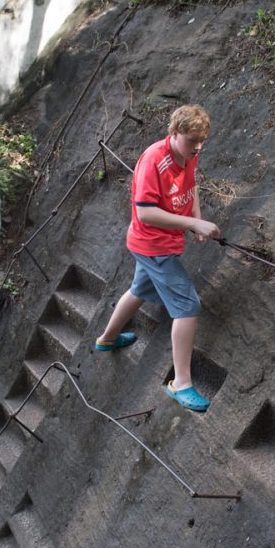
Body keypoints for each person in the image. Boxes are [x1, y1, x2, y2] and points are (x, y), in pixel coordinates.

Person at [94, 104, 220, 412]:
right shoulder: (154, 160)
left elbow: (191, 187)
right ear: (174, 133)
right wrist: (192, 224)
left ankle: (107, 339)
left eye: (202, 141)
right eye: (192, 141)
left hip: (160, 242)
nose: (198, 147)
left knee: (140, 290)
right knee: (187, 307)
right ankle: (181, 384)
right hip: (153, 245)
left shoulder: (189, 153)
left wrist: (196, 217)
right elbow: (145, 212)